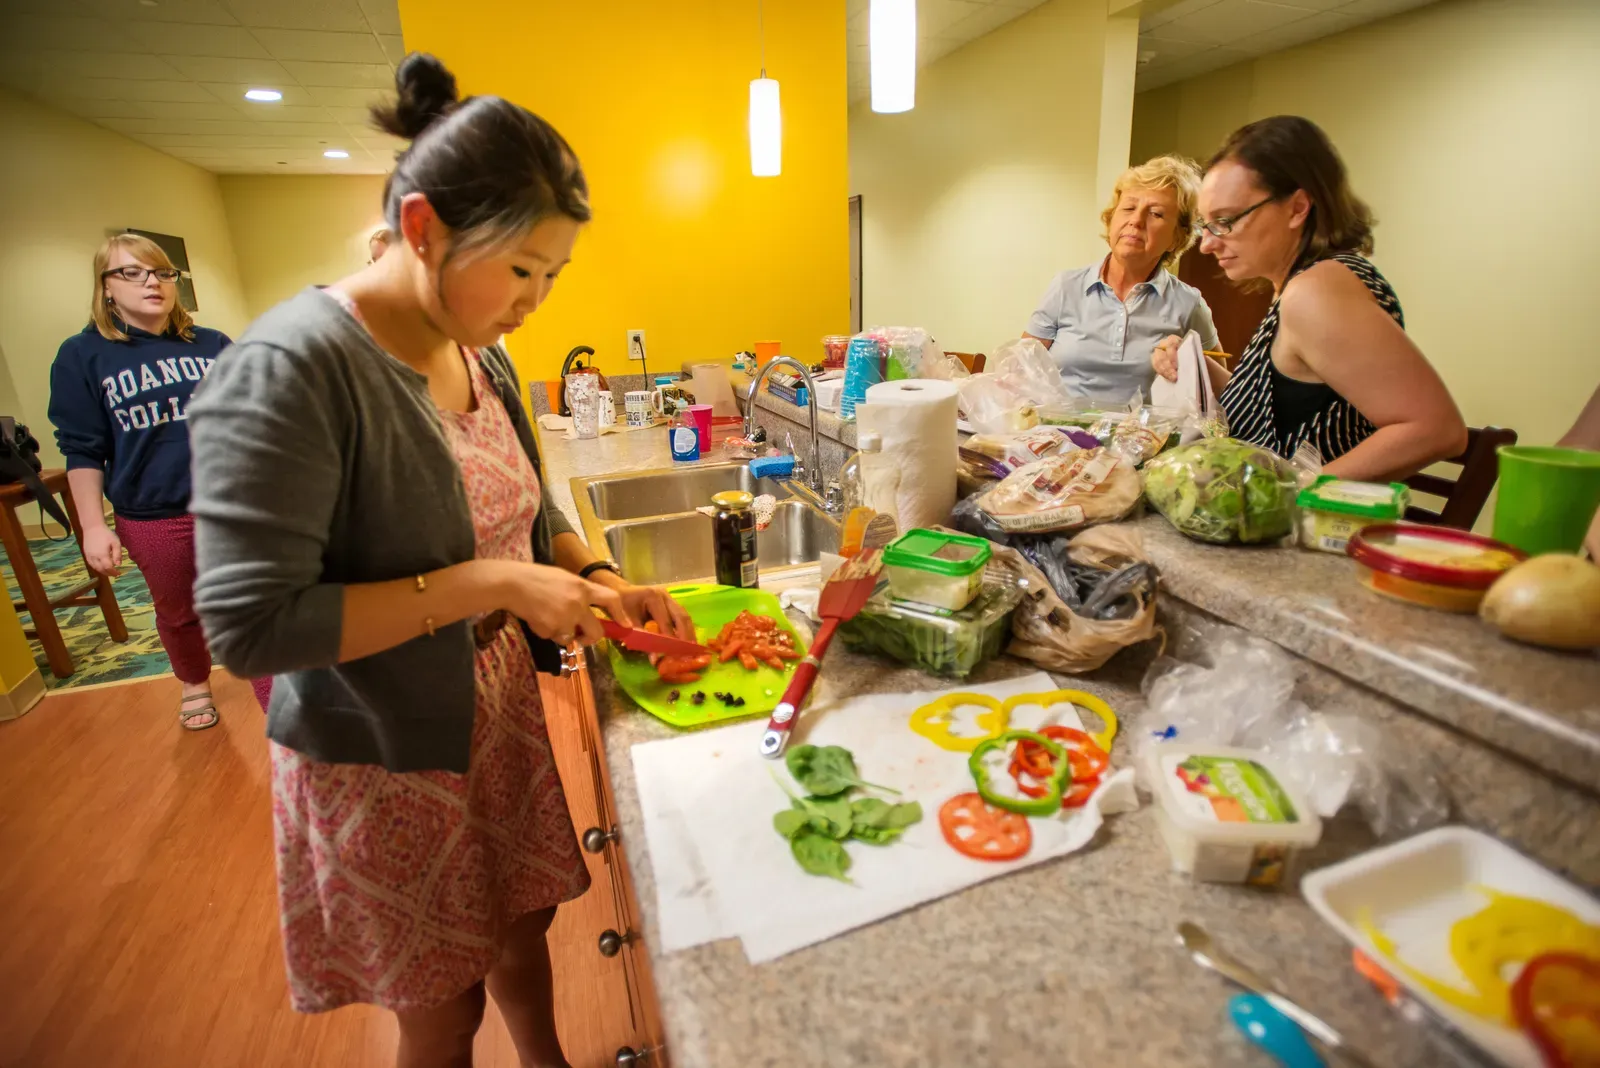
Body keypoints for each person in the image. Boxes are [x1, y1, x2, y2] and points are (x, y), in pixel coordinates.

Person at [187, 52, 693, 1068]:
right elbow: (249, 629)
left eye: (554, 276)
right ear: (422, 228)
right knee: (440, 1008)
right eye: (521, 269)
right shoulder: (290, 369)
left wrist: (595, 577)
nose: (535, 299)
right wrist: (487, 585)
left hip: (496, 712)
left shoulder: (478, 345)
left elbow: (526, 508)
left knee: (519, 931)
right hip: (381, 750)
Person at [1155, 116, 1466, 480]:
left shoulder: (1314, 293)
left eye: (1226, 221)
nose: (1207, 244)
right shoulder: (1305, 284)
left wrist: (1289, 496)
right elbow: (1283, 410)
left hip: (1308, 515)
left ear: (1298, 207)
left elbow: (1436, 430)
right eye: (1205, 225)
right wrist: (1196, 366)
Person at [48, 233, 269, 730]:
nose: (152, 282)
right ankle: (194, 681)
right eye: (132, 272)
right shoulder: (83, 355)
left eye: (162, 272)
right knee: (179, 611)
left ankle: (281, 714)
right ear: (106, 287)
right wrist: (93, 527)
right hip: (154, 514)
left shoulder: (212, 344)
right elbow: (82, 449)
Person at [1024, 155, 1219, 400]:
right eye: (1128, 208)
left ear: (1177, 238)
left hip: (1145, 426)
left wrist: (1188, 361)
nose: (1135, 221)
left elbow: (1218, 391)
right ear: (1110, 220)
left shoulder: (1189, 303)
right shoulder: (1065, 286)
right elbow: (1021, 369)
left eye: (1156, 214)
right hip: (1058, 424)